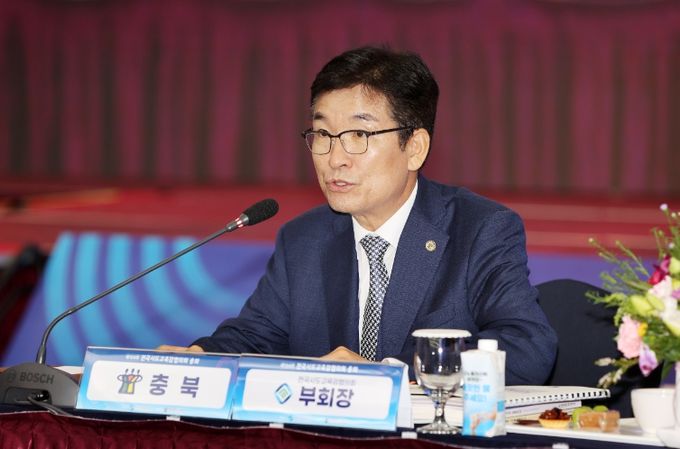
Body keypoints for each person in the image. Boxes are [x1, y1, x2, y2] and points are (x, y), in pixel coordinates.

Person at [159, 46, 557, 385]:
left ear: (415, 148)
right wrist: (198, 356)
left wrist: (387, 374)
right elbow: (256, 336)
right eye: (323, 135)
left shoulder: (480, 229)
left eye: (359, 136)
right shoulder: (304, 238)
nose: (335, 158)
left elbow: (526, 347)